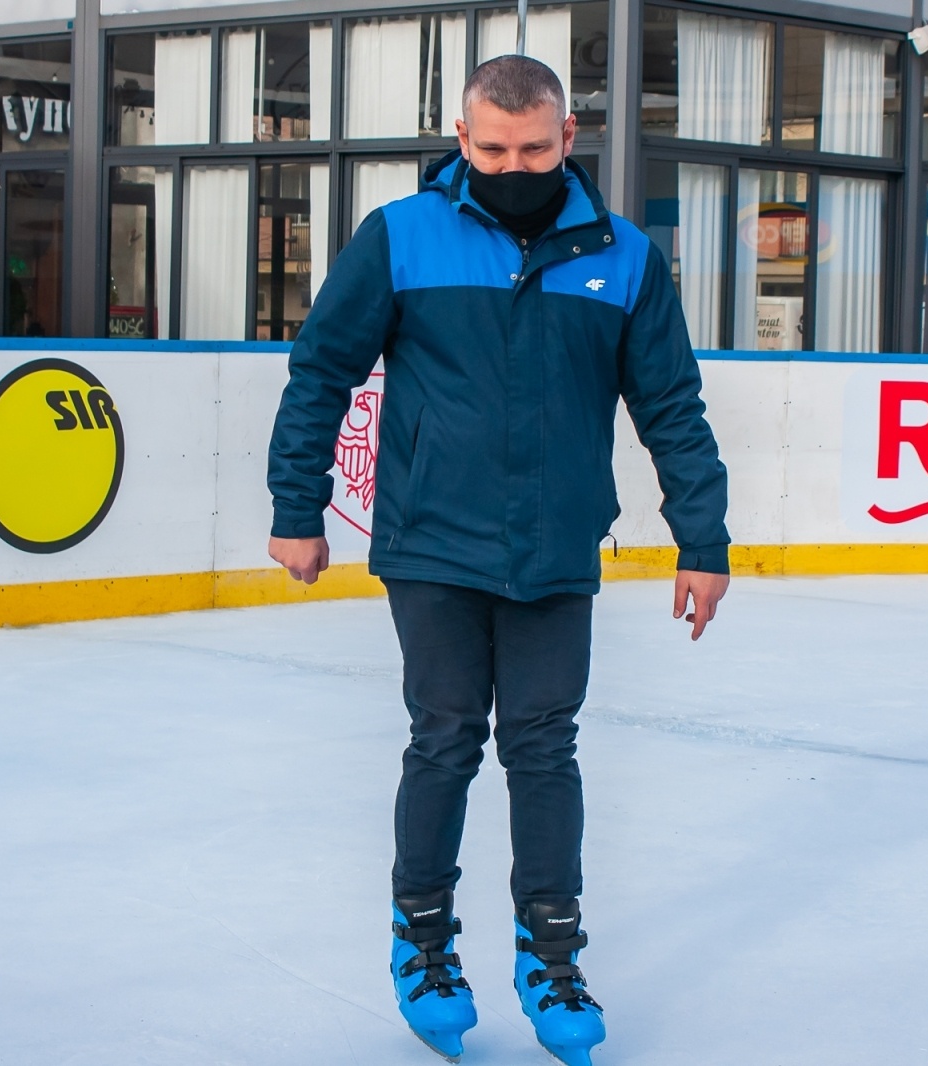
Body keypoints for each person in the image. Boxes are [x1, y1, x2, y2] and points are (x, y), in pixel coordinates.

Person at [266, 56, 729, 1066]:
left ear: (568, 139)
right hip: (432, 541)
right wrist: (296, 505)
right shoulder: (401, 236)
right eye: (492, 149)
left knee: (542, 744)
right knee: (443, 739)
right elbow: (321, 373)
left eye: (532, 148)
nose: (512, 165)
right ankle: (422, 945)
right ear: (461, 140)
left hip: (556, 549)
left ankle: (549, 954)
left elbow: (672, 409)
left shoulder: (625, 259)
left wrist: (702, 538)